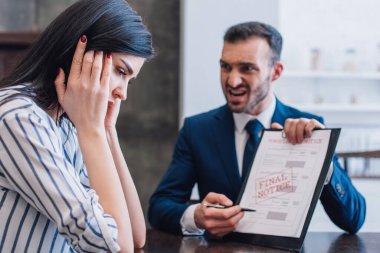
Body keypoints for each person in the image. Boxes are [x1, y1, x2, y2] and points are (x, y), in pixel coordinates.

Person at [148, 21, 366, 237]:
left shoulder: (310, 128)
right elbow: (159, 206)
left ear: (276, 72)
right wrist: (195, 216)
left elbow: (354, 220)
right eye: (225, 67)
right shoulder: (197, 130)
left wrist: (321, 157)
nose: (232, 81)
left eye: (247, 68)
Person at [0, 0, 153, 252]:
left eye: (130, 81)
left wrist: (106, 131)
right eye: (120, 71)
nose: (122, 93)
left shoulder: (66, 124)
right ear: (80, 54)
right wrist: (92, 131)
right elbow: (116, 246)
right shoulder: (20, 118)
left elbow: (136, 236)